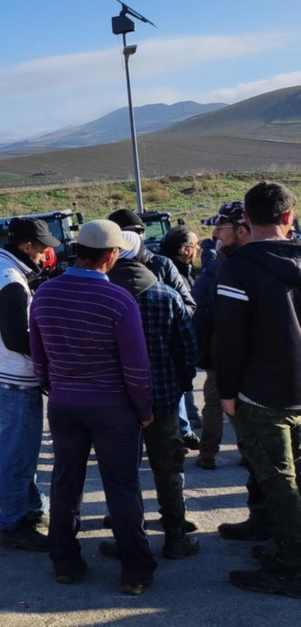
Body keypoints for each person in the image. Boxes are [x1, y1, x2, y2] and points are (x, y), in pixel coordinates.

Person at [29, 219, 156, 595]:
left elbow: (39, 357)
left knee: (66, 482)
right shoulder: (118, 300)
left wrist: (56, 388)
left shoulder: (45, 294)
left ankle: (65, 562)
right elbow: (136, 366)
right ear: (112, 255)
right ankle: (135, 571)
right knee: (121, 486)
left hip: (65, 403)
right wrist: (143, 408)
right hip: (113, 407)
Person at [214, 181, 301, 598]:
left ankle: (292, 566)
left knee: (278, 481)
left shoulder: (238, 266)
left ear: (245, 219)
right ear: (289, 216)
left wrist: (226, 392)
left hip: (262, 394)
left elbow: (229, 338)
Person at [101, 230, 201, 560]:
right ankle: (175, 536)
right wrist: (178, 386)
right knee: (169, 470)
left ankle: (128, 540)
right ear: (145, 258)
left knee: (122, 475)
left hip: (114, 403)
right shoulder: (166, 296)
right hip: (164, 400)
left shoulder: (102, 300)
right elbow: (188, 352)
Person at [0, 217, 60, 551]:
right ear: (26, 247)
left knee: (20, 452)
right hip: (16, 378)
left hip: (5, 375)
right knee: (17, 455)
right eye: (42, 250)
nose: (44, 257)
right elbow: (16, 338)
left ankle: (30, 510)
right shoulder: (11, 281)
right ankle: (12, 524)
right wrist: (52, 351)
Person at [109, 209, 199, 448]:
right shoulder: (103, 274)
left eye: (137, 233)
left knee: (169, 448)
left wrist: (166, 323)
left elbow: (188, 305)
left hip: (162, 361)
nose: (134, 239)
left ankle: (184, 430)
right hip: (121, 377)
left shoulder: (161, 264)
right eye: (126, 235)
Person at [192, 202, 250, 471]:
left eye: (220, 227)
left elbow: (201, 316)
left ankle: (208, 454)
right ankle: (247, 454)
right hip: (227, 354)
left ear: (241, 229)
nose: (215, 234)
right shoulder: (225, 266)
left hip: (225, 354)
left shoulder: (219, 270)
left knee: (217, 404)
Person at [159, 225, 203, 438]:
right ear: (184, 250)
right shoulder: (172, 273)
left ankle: (188, 418)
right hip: (176, 340)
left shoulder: (182, 269)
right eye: (196, 245)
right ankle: (185, 426)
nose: (199, 249)